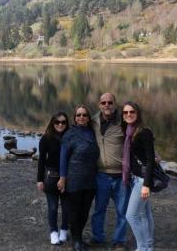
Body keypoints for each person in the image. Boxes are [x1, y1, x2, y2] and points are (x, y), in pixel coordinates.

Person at [90, 93, 130, 250]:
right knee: (99, 209)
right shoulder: (92, 122)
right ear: (99, 104)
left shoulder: (124, 122)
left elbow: (141, 134)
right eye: (103, 102)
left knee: (122, 211)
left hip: (121, 176)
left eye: (110, 102)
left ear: (115, 104)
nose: (107, 105)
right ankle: (97, 237)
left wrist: (153, 153)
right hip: (100, 175)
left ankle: (119, 241)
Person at [58, 105, 99, 251]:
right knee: (74, 211)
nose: (81, 117)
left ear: (88, 118)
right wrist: (62, 178)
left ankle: (79, 237)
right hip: (74, 178)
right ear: (75, 118)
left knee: (85, 211)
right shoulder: (69, 134)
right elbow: (63, 158)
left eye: (84, 115)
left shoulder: (93, 133)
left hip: (91, 179)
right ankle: (76, 241)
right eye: (78, 115)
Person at [122, 101, 155, 251]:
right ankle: (148, 245)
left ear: (138, 113)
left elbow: (150, 160)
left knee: (131, 216)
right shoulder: (129, 130)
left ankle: (142, 247)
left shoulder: (144, 132)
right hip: (135, 178)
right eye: (125, 112)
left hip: (142, 180)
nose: (128, 114)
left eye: (132, 112)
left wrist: (146, 185)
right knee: (143, 213)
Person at [37, 112, 70, 245]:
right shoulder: (46, 138)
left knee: (67, 207)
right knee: (52, 207)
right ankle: (53, 232)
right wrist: (39, 180)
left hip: (68, 177)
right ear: (52, 123)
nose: (60, 124)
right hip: (50, 176)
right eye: (57, 122)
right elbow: (41, 160)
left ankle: (64, 230)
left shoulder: (70, 137)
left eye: (63, 122)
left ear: (67, 124)